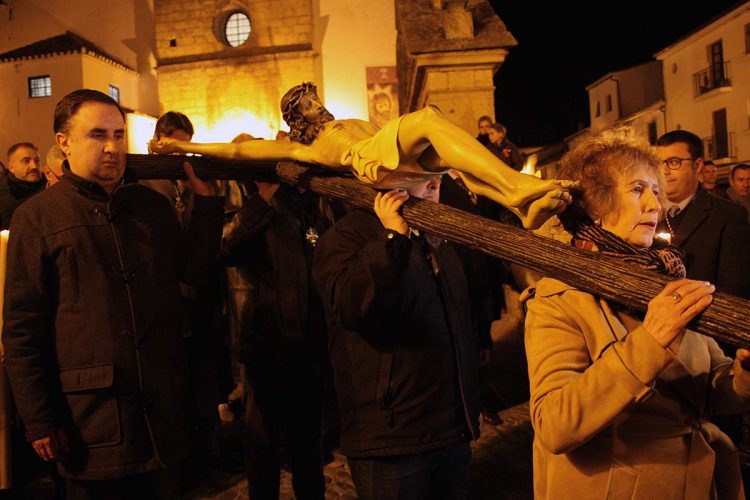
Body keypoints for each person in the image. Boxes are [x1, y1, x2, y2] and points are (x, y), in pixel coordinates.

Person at [2, 89, 224, 499]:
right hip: (90, 420)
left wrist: (207, 206)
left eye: (119, 135)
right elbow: (22, 328)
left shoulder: (150, 208)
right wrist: (38, 418)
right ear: (64, 141)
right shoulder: (36, 218)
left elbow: (192, 271)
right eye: (97, 135)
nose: (112, 147)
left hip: (160, 415)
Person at [523, 132, 750, 499]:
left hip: (698, 482)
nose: (654, 205)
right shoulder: (558, 297)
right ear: (595, 205)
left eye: (655, 191)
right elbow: (554, 426)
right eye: (637, 190)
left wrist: (743, 373)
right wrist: (650, 340)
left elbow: (712, 392)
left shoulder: (667, 277)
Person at [151, 82, 574, 231]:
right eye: (308, 103)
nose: (317, 104)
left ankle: (518, 205)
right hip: (374, 162)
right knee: (427, 118)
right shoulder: (306, 146)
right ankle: (520, 186)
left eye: (315, 98)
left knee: (447, 150)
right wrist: (185, 146)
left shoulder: (343, 119)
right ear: (298, 116)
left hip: (393, 156)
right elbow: (240, 149)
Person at [313, 174, 480, 498]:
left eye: (436, 176)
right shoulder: (346, 237)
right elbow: (353, 306)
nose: (434, 183)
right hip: (392, 439)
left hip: (450, 432)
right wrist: (392, 240)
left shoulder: (435, 236)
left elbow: (457, 319)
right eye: (420, 175)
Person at [221, 141, 337, 497]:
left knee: (307, 446)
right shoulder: (240, 201)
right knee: (262, 447)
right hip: (263, 346)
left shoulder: (306, 204)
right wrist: (263, 201)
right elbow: (224, 246)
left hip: (307, 343)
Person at [654, 130, 750, 299]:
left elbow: (734, 289)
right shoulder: (648, 213)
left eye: (674, 162)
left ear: (697, 165)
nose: (664, 170)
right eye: (659, 163)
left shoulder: (729, 216)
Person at [0, 142, 45, 229]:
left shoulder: (52, 187)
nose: (34, 166)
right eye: (26, 161)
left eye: (37, 161)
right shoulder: (3, 196)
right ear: (11, 168)